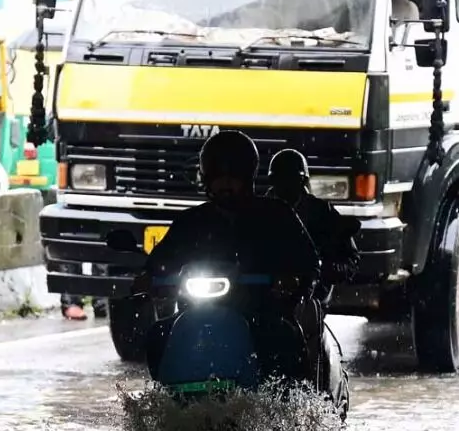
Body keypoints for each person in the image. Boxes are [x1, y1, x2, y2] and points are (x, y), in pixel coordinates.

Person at [135, 131, 322, 383]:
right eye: (218, 177)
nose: (225, 184)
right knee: (158, 335)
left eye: (233, 177)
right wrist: (148, 277)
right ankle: (167, 396)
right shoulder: (190, 221)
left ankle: (293, 403)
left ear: (248, 178)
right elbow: (162, 260)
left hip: (261, 313)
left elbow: (309, 262)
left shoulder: (277, 215)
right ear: (206, 179)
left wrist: (295, 282)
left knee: (286, 340)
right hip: (195, 313)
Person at [266, 148, 361, 303]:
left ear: (302, 182)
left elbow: (350, 260)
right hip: (267, 290)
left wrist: (329, 268)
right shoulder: (262, 210)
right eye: (281, 181)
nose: (286, 187)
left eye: (291, 180)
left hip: (310, 292)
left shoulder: (321, 212)